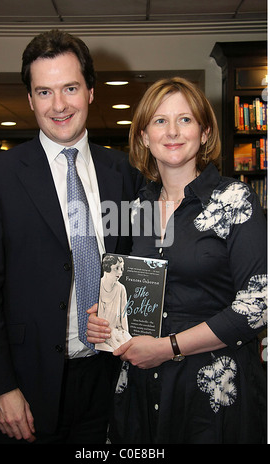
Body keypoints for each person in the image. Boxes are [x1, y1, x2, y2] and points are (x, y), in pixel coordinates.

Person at [0, 29, 144, 444]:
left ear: (90, 92)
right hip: (27, 383)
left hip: (111, 373)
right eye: (44, 92)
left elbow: (137, 264)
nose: (59, 105)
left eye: (70, 88)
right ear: (30, 100)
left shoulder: (125, 172)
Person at [87, 77, 267, 444]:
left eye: (185, 120)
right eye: (159, 121)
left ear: (204, 133)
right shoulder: (133, 209)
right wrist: (106, 318)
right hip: (141, 387)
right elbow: (128, 286)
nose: (172, 131)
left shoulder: (235, 200)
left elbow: (259, 305)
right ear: (143, 136)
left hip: (213, 391)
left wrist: (169, 347)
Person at [96, 255, 131, 352]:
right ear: (107, 267)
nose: (120, 272)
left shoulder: (121, 288)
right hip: (100, 334)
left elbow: (124, 315)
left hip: (116, 332)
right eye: (116, 268)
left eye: (121, 269)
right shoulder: (97, 285)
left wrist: (126, 336)